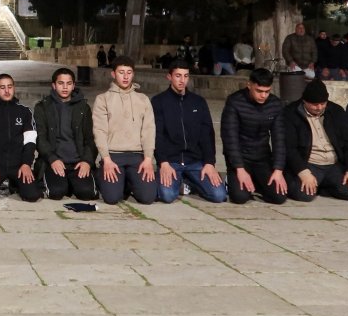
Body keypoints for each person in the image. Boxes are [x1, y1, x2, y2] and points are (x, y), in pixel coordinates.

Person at [152, 60, 225, 204]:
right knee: (167, 196)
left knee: (219, 195)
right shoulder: (158, 101)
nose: (182, 80)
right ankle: (177, 180)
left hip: (195, 161)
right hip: (171, 161)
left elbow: (207, 134)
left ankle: (189, 182)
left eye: (186, 76)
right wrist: (163, 162)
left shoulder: (198, 102)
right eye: (178, 76)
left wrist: (209, 163)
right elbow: (157, 135)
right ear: (169, 77)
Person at [92, 57, 157, 205]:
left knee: (148, 197)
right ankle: (102, 174)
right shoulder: (103, 99)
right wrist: (106, 159)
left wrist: (148, 159)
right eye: (121, 72)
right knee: (112, 198)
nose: (126, 76)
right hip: (114, 156)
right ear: (113, 74)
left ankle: (128, 180)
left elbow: (148, 130)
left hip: (137, 156)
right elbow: (99, 131)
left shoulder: (143, 99)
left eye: (129, 72)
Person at [284, 80, 348, 201]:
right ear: (304, 101)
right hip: (309, 163)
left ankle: (324, 187)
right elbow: (290, 148)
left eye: (323, 103)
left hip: (333, 163)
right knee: (304, 195)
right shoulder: (291, 113)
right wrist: (303, 172)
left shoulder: (336, 111)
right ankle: (317, 184)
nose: (319, 107)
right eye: (314, 104)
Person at [221, 69, 287, 204]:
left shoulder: (275, 104)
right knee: (240, 197)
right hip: (240, 158)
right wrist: (239, 168)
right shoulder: (235, 102)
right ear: (249, 85)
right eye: (259, 91)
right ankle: (232, 180)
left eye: (267, 91)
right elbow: (229, 137)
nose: (263, 95)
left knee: (279, 197)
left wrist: (278, 169)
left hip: (262, 158)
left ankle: (257, 182)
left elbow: (279, 138)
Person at [33, 68, 98, 201]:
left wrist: (86, 161)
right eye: (61, 83)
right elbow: (41, 138)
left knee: (87, 194)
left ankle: (72, 182)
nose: (65, 87)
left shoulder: (83, 108)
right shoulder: (42, 107)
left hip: (77, 162)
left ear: (73, 86)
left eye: (69, 83)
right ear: (54, 85)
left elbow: (90, 139)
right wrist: (52, 159)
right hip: (55, 162)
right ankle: (61, 182)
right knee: (56, 193)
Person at [0, 74, 41, 202]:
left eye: (9, 87)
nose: (7, 91)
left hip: (19, 165)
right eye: (2, 87)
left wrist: (26, 164)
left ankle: (15, 184)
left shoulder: (25, 111)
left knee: (33, 196)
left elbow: (30, 141)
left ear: (14, 88)